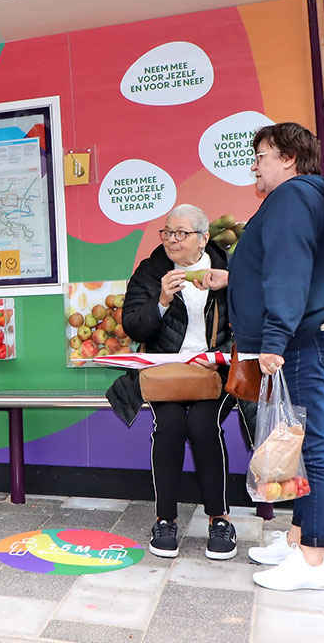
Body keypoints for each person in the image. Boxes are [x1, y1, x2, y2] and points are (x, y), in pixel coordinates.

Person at [208, 122, 324, 591]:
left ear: (287, 157)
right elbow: (279, 263)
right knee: (300, 442)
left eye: (261, 155)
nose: (255, 164)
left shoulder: (291, 196)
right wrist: (234, 281)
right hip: (303, 335)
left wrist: (273, 340)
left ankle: (313, 561)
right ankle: (295, 540)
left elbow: (289, 269)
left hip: (300, 338)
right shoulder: (306, 196)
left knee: (313, 448)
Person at [107, 204, 251, 560]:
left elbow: (254, 311)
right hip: (166, 372)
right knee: (169, 426)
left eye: (181, 233)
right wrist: (161, 300)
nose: (172, 240)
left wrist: (231, 284)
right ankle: (165, 519)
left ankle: (219, 519)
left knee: (203, 425)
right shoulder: (152, 269)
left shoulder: (229, 265)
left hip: (215, 372)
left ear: (203, 237)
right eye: (167, 232)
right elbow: (133, 326)